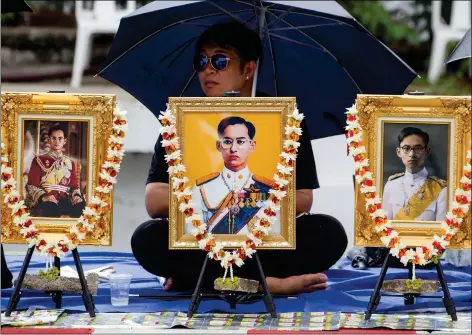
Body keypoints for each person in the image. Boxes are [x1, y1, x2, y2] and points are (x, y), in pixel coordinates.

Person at [131, 20, 348, 294]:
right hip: (202, 239)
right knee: (147, 238)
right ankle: (265, 284)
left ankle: (203, 279)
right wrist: (217, 203)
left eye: (219, 61)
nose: (207, 69)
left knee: (328, 232)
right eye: (201, 61)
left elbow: (303, 199)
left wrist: (246, 206)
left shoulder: (285, 119)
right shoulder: (182, 120)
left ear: (248, 69)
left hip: (264, 240)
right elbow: (154, 200)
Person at [190, 116, 280, 235]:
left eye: (240, 142)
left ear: (252, 145)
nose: (233, 149)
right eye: (227, 142)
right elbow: (192, 235)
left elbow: (275, 234)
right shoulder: (202, 188)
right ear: (218, 145)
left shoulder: (269, 190)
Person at [382, 127, 447, 222]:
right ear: (398, 152)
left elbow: (441, 230)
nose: (412, 154)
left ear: (427, 152)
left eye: (418, 148)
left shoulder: (440, 189)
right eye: (406, 148)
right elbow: (385, 226)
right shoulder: (391, 185)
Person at [25, 124, 85, 218]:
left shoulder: (70, 163)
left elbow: (74, 187)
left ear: (64, 141)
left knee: (82, 207)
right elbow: (32, 185)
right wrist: (44, 197)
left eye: (60, 138)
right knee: (52, 208)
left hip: (65, 202)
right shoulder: (38, 160)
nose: (57, 141)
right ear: (49, 140)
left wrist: (76, 196)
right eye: (54, 138)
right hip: (45, 201)